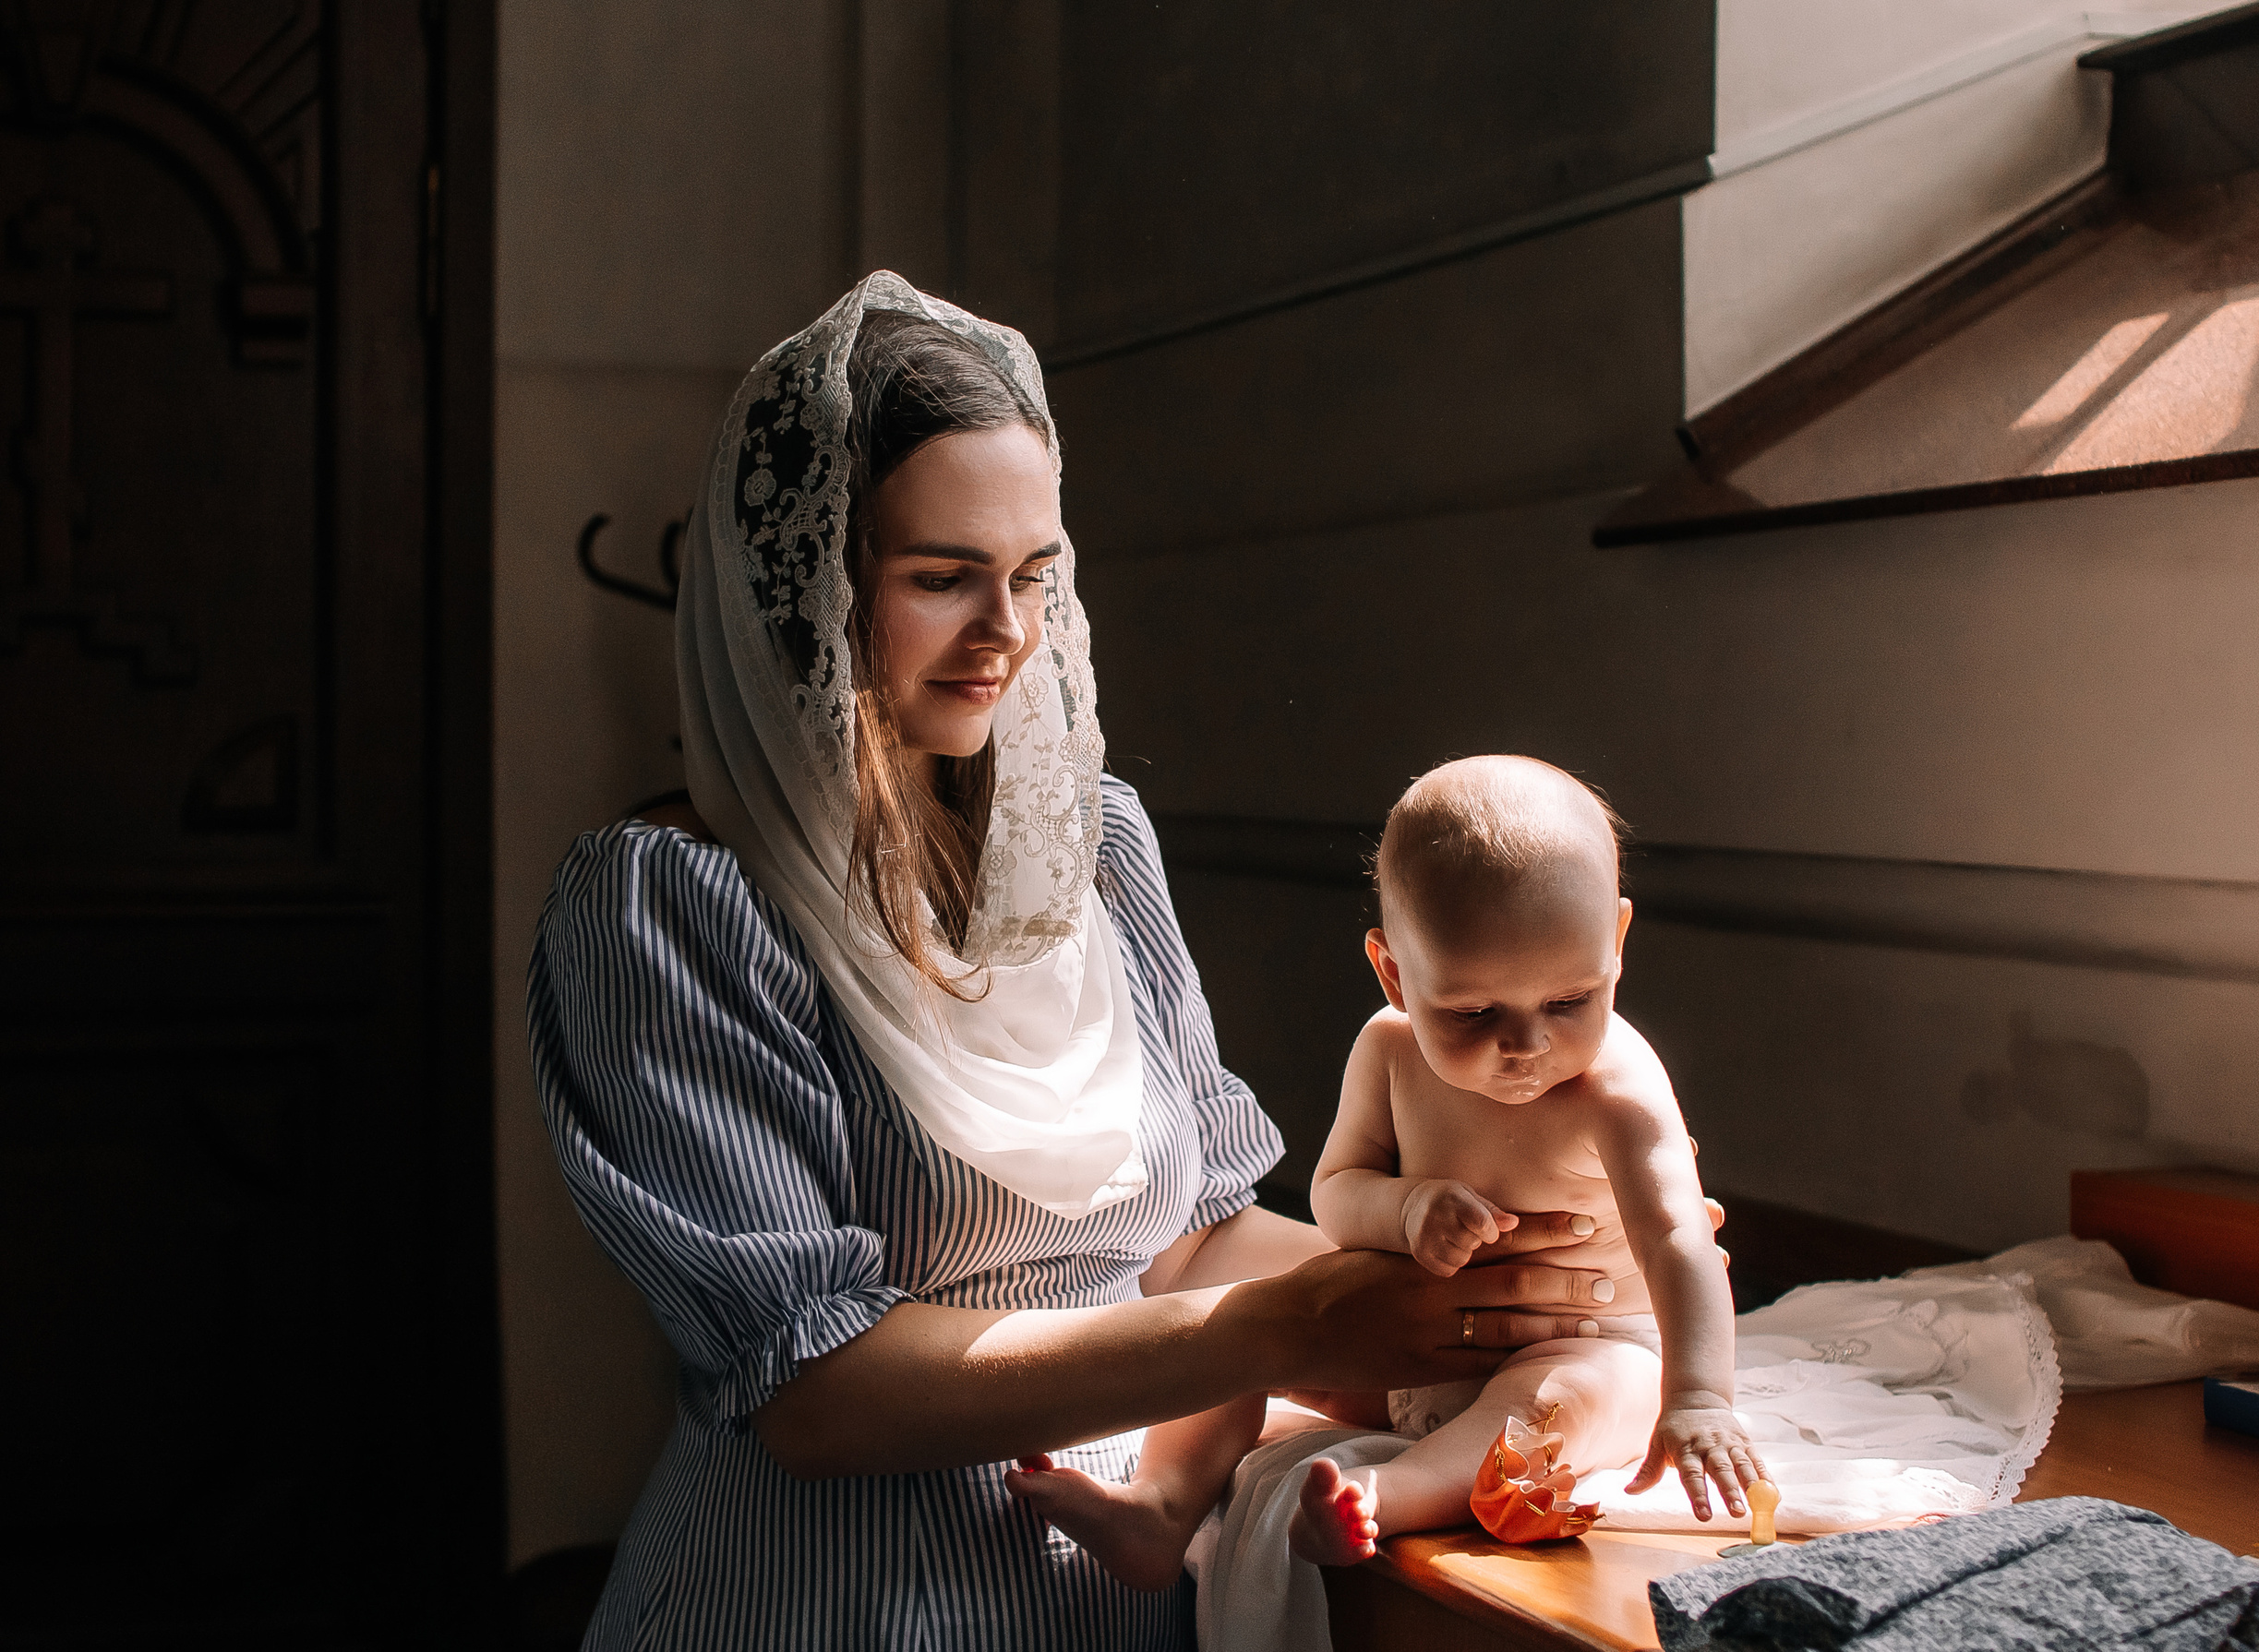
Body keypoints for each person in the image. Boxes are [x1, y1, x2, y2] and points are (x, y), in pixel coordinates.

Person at [528, 273, 1689, 1651]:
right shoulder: (669, 909)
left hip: (1115, 1598)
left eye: (1034, 575)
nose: (1007, 633)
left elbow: (1188, 1233)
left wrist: (1528, 1292)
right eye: (941, 577)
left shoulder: (1095, 852)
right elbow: (818, 1394)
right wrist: (1291, 1322)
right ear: (800, 589)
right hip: (822, 1604)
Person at [1008, 757, 1763, 1583]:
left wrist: (1698, 1399)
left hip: (1588, 1342)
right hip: (1415, 1347)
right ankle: (1160, 1506)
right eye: (1473, 1013)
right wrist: (1405, 1210)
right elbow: (1337, 1196)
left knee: (1550, 1407)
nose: (1526, 1044)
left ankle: (1383, 1495)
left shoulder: (1617, 1086)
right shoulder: (1388, 1051)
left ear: (1615, 942)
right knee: (1239, 1333)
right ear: (1395, 974)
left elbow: (1680, 1240)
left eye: (1570, 1001)